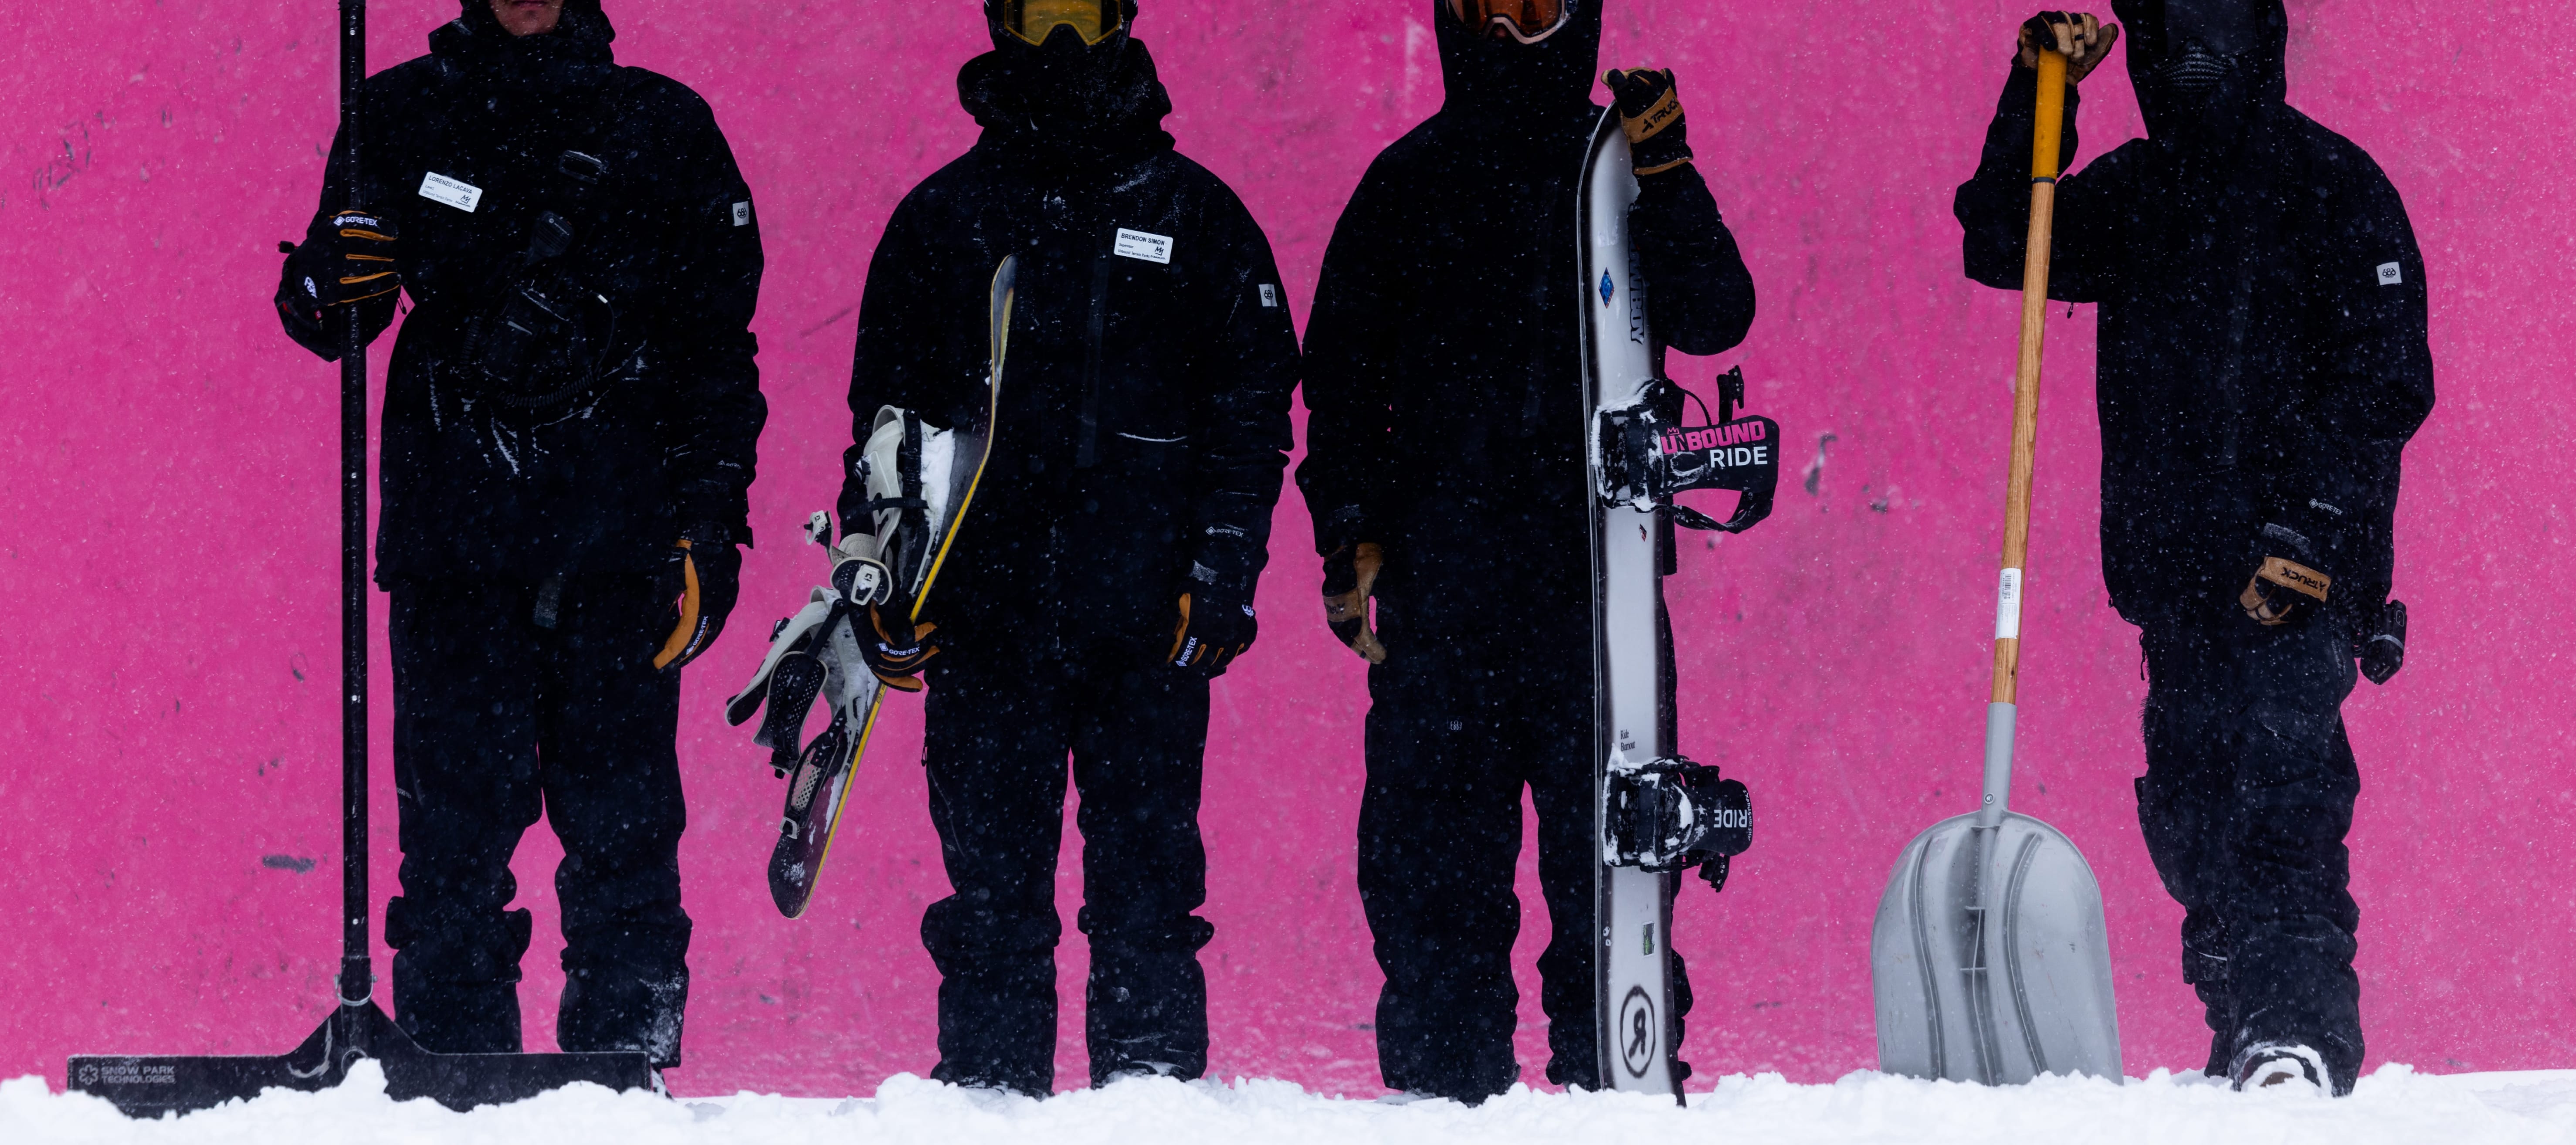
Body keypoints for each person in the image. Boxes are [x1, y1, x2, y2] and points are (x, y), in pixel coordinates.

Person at [271, 0, 765, 1071]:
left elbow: (716, 354)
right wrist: (323, 283)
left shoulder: (665, 125)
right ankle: (454, 1087)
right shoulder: (402, 113)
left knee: (626, 843)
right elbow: (331, 313)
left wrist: (709, 524)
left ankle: (622, 1082)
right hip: (455, 548)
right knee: (452, 848)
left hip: (619, 549)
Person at [1955, 2, 2432, 1096]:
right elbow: (2004, 239)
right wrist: (2040, 97)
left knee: (2282, 800)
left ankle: (2293, 1034)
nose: (2191, 61)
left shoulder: (2332, 187)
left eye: (2214, 31)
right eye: (2170, 36)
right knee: (2195, 812)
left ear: (2258, 37)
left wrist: (2307, 527)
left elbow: (2385, 382)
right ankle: (2238, 1032)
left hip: (2300, 576)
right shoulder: (2141, 193)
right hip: (2177, 575)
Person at [1298, 0, 1757, 1101]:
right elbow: (1342, 380)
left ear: (1578, 16)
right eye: (1486, 7)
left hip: (1595, 595)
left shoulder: (1623, 170)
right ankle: (1444, 1096)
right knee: (1431, 875)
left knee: (1611, 866)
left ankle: (1616, 1092)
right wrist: (1348, 539)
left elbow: (1717, 314)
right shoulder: (1406, 184)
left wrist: (1671, 178)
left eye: (1536, 9)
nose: (1509, 32)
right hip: (1442, 591)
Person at [838, 0, 1298, 1095]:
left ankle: (1151, 1102)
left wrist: (1221, 571)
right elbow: (884, 427)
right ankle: (991, 1103)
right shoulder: (944, 219)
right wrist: (881, 571)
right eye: (1036, 11)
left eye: (1080, 13)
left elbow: (1252, 417)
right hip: (984, 620)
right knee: (993, 901)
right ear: (999, 23)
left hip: (1147, 622)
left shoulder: (1197, 217)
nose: (1059, 41)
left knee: (1147, 893)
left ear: (1122, 21)